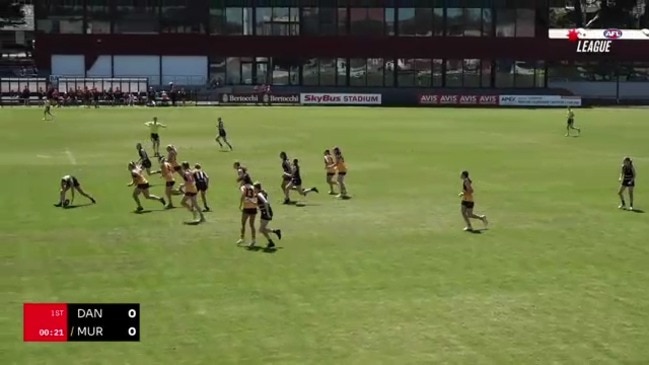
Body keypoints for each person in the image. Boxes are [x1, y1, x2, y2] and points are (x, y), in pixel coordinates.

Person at [254, 182, 282, 249]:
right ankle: (270, 242)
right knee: (262, 229)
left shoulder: (259, 194)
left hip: (265, 213)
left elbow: (266, 202)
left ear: (257, 188)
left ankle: (275, 231)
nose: (253, 189)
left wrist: (267, 212)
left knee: (261, 230)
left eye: (254, 188)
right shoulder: (262, 193)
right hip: (264, 212)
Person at [238, 175, 257, 247]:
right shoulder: (253, 187)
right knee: (252, 225)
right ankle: (253, 240)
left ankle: (242, 238)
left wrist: (240, 204)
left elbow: (243, 195)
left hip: (246, 207)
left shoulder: (243, 187)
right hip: (253, 207)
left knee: (243, 223)